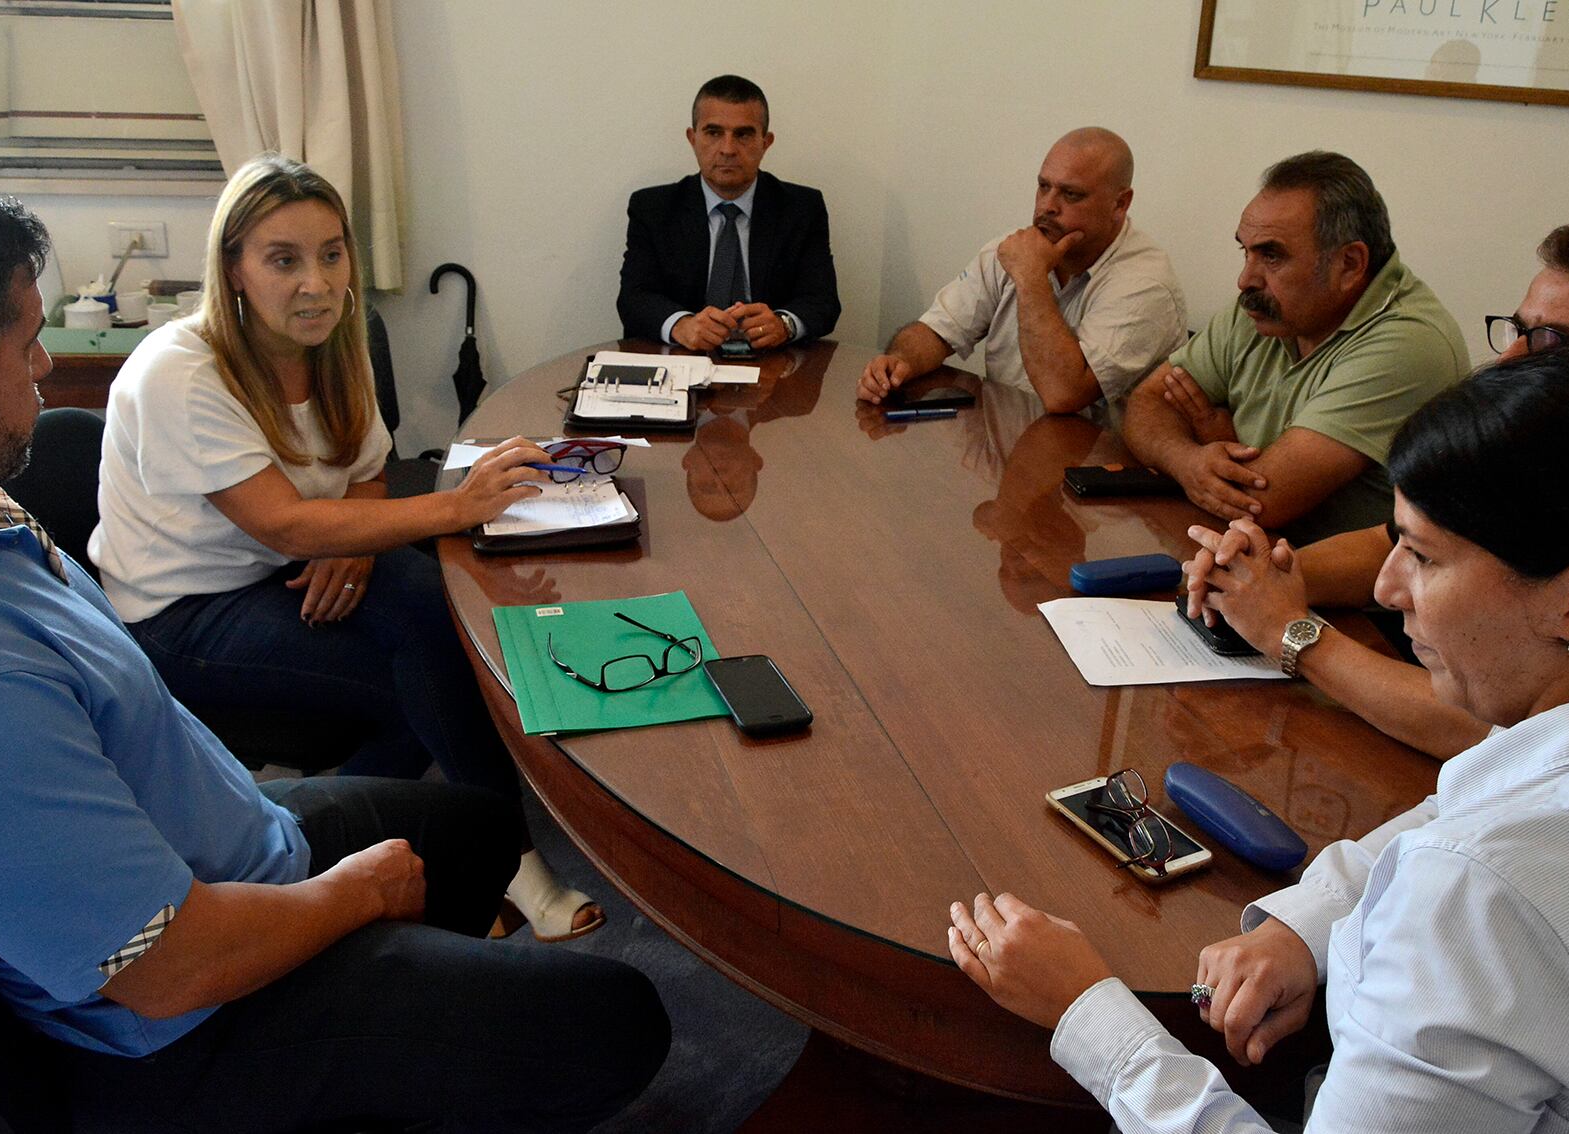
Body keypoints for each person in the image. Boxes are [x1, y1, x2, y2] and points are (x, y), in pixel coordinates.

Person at [0, 175, 668, 1132]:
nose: (49, 362)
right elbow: (169, 971)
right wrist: (349, 897)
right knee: (622, 1022)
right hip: (195, 1020)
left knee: (465, 830)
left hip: (225, 842)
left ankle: (426, 1040)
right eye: (25, 346)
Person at [949, 340, 1569, 1131]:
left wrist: (1090, 1017)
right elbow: (1461, 810)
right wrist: (1307, 922)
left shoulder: (1488, 901)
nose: (1387, 588)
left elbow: (1477, 869)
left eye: (1420, 555)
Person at [89, 155, 602, 942]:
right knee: (432, 670)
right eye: (283, 259)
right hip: (183, 613)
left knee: (437, 627)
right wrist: (454, 509)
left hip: (280, 568)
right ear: (232, 267)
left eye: (332, 254)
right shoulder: (179, 373)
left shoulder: (335, 341)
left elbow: (365, 477)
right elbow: (286, 523)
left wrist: (357, 547)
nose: (317, 282)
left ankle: (325, 814)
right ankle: (507, 859)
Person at [1185, 225, 1569, 758]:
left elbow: (1515, 734)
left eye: (1554, 345)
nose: (1510, 362)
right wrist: (1262, 575)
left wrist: (1290, 633)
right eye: (1518, 331)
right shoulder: (1551, 456)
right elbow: (1388, 541)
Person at [1122, 151, 1468, 544]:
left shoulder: (1410, 341)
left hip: (1361, 599)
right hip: (1250, 556)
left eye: (1271, 255)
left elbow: (1261, 499)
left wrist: (1212, 444)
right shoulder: (1266, 308)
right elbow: (1147, 402)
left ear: (1350, 264)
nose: (1245, 279)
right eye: (1246, 251)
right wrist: (1188, 460)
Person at [858, 127, 1187, 414]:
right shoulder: (1013, 250)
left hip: (1095, 468)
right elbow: (937, 331)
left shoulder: (1146, 284)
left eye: (1070, 194)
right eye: (1044, 187)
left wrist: (1031, 277)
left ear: (1120, 203)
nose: (1048, 206)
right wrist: (899, 364)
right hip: (1010, 444)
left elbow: (1064, 394)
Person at [617, 74, 840, 351]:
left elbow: (823, 301)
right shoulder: (653, 208)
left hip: (772, 367)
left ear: (766, 142)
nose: (727, 149)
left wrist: (784, 325)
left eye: (743, 134)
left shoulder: (801, 208)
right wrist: (681, 324)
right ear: (692, 138)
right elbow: (634, 298)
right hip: (681, 364)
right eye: (713, 133)